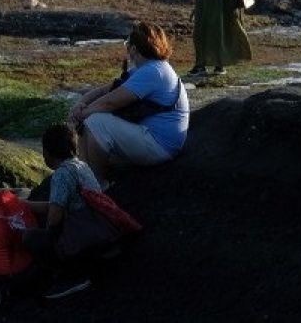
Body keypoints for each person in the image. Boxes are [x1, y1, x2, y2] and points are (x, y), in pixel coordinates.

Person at [68, 22, 188, 186]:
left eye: (128, 45)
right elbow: (105, 90)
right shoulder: (147, 68)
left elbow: (110, 103)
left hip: (160, 145)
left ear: (133, 49)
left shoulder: (153, 71)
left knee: (96, 122)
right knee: (87, 122)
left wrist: (82, 113)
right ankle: (84, 178)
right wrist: (81, 104)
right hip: (151, 137)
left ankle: (98, 185)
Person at [22, 124, 105, 300]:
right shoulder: (81, 165)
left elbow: (54, 217)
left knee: (31, 237)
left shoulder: (61, 175)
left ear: (48, 153)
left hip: (84, 238)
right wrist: (24, 205)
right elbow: (57, 204)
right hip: (101, 228)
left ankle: (71, 275)